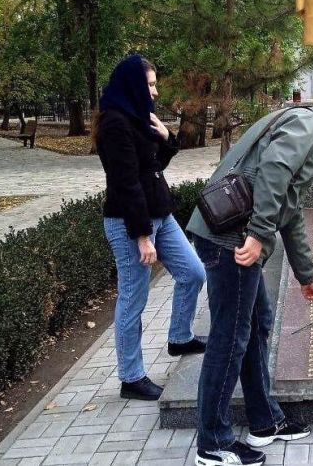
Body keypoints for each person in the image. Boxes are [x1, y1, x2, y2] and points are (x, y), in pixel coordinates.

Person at [187, 95, 313, 466]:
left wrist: (306, 274)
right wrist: (259, 233)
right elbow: (274, 170)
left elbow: (289, 211)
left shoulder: (298, 124)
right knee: (229, 339)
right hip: (232, 241)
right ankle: (213, 443)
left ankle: (264, 422)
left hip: (232, 236)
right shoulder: (310, 124)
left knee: (257, 322)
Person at [95, 54, 206, 401]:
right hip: (131, 223)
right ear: (132, 85)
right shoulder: (115, 123)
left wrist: (165, 135)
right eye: (150, 84)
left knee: (193, 272)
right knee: (133, 299)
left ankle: (179, 337)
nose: (156, 92)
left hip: (161, 214)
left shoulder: (138, 117)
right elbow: (126, 182)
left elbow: (155, 165)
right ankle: (131, 377)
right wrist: (142, 235)